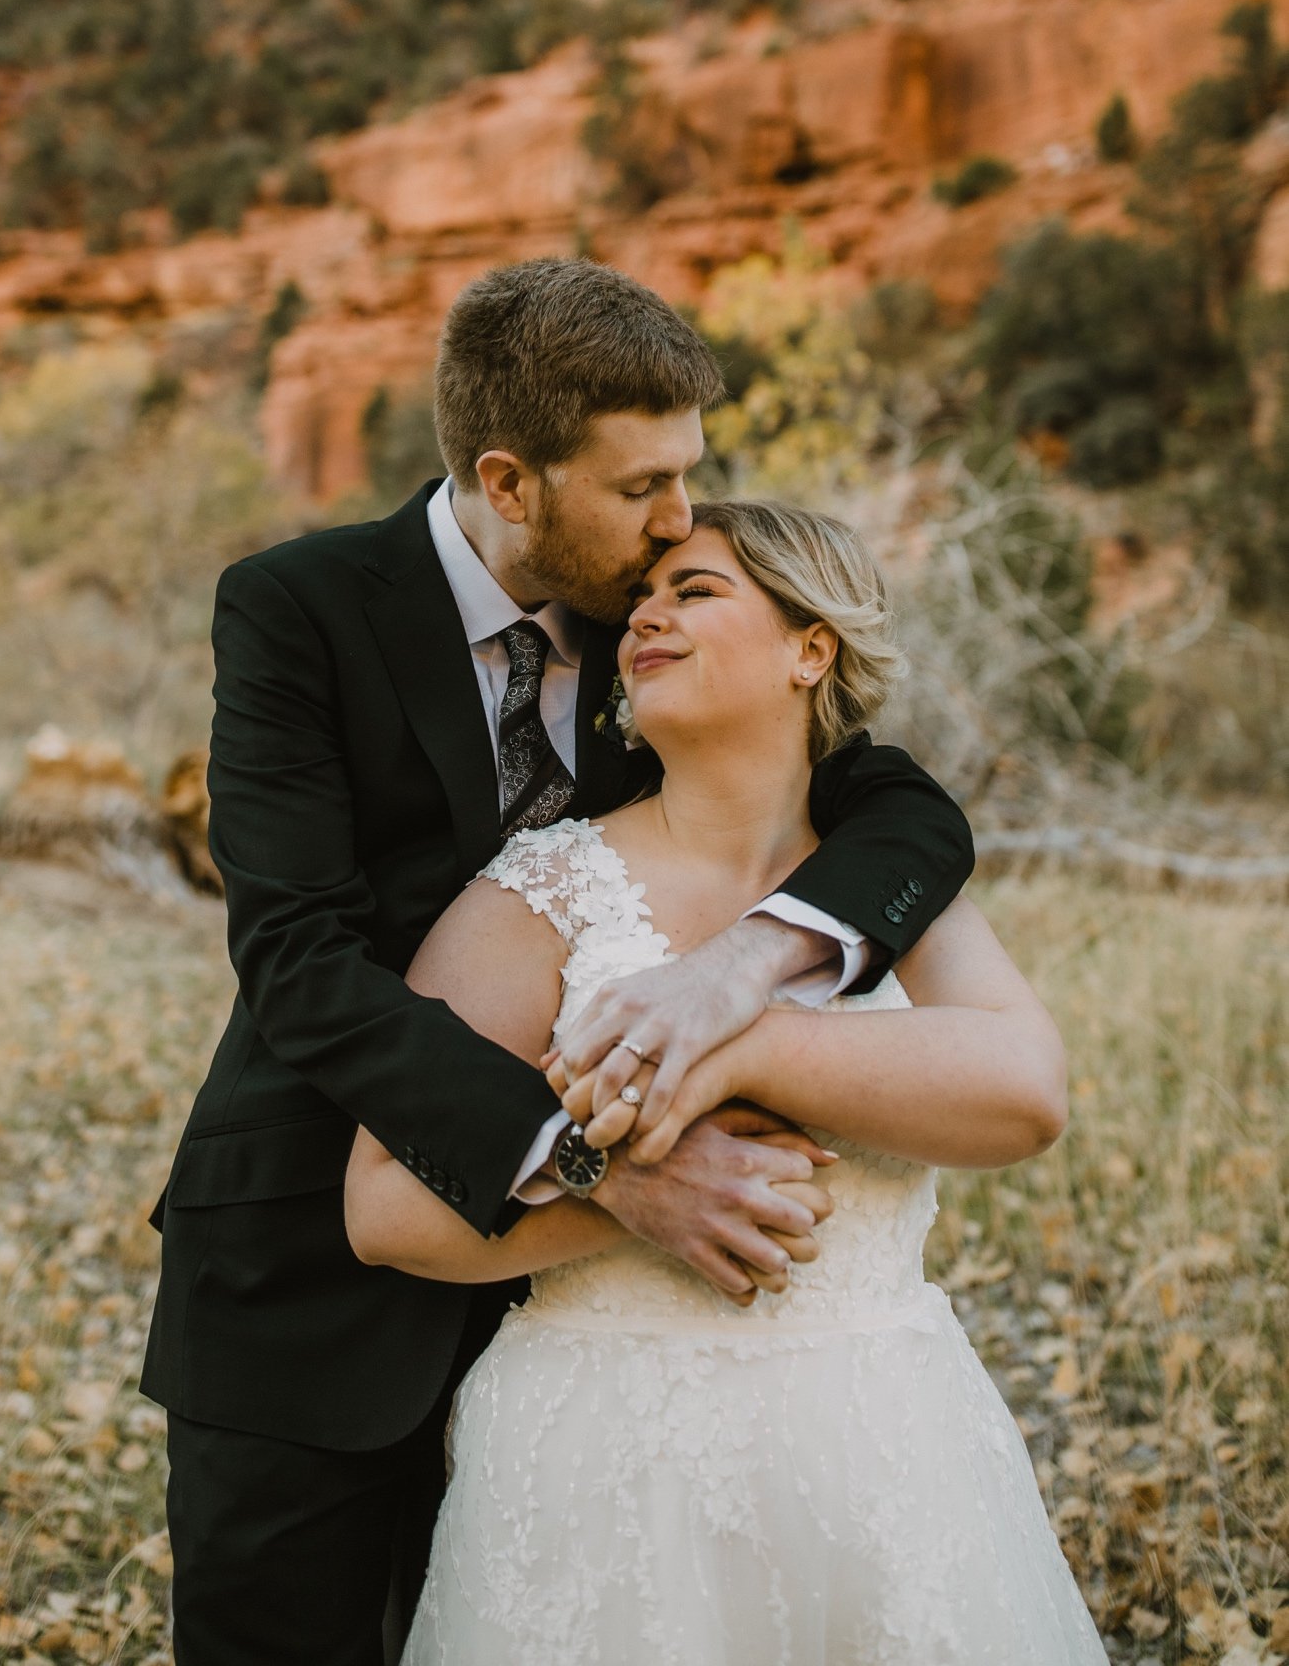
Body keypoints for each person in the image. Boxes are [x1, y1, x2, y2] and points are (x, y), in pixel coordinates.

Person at [142, 259, 975, 1666]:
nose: (680, 519)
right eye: (643, 484)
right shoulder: (298, 610)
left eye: (687, 477)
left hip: (575, 1337)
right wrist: (601, 1167)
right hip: (310, 1271)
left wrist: (741, 970)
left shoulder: (658, 621)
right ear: (510, 480)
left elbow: (902, 806)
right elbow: (297, 959)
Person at [347, 498, 1107, 1664]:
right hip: (602, 1458)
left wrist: (738, 1048)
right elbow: (384, 1203)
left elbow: (1025, 1092)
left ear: (814, 648)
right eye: (642, 599)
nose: (647, 612)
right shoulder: (542, 890)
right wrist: (632, 1190)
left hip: (887, 1447)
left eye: (696, 591)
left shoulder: (894, 883)